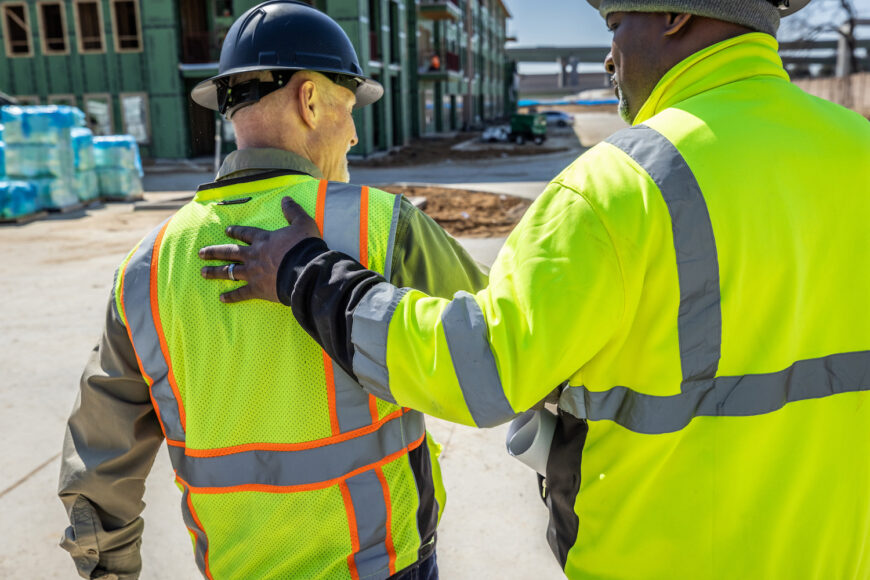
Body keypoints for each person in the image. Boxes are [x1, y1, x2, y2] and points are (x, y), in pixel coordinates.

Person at [198, 0, 870, 577]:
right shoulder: (857, 149)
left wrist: (306, 274)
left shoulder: (620, 185)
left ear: (675, 15)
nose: (609, 59)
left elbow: (481, 368)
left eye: (618, 26)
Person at [58, 2, 486, 579]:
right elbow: (504, 343)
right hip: (378, 565)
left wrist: (107, 570)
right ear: (310, 100)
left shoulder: (149, 263)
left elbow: (99, 456)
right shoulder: (381, 226)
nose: (356, 134)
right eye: (348, 105)